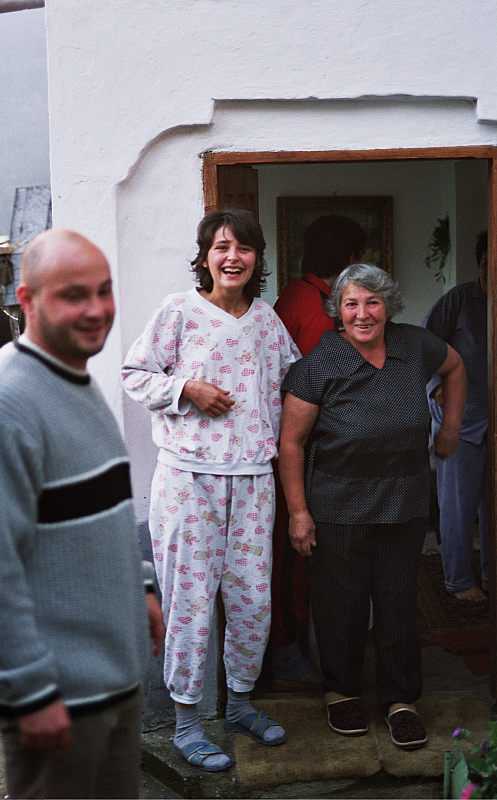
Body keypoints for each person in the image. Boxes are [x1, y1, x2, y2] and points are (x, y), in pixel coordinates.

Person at [0, 229, 164, 799]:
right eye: (74, 294)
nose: (97, 309)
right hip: (59, 702)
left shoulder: (76, 379)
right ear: (26, 300)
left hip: (115, 682)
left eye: (104, 291)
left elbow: (103, 507)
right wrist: (26, 692)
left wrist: (142, 589)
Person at [122, 208, 299, 771]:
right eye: (221, 247)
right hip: (188, 481)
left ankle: (239, 703)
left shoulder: (268, 321)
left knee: (252, 599)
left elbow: (297, 384)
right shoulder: (179, 311)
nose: (232, 257)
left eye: (244, 248)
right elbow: (134, 374)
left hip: (252, 480)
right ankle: (187, 723)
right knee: (190, 602)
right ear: (204, 256)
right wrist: (186, 388)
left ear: (256, 259)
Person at [278, 264, 466, 751]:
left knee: (398, 601)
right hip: (338, 508)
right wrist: (299, 513)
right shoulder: (319, 363)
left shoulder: (414, 345)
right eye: (351, 304)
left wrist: (449, 429)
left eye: (372, 302)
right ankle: (340, 691)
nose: (362, 314)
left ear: (389, 305)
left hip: (403, 503)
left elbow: (456, 365)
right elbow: (292, 442)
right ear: (337, 311)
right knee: (340, 606)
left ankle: (400, 699)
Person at [270, 214, 367, 691]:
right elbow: (317, 388)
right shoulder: (315, 307)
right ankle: (288, 656)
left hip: (294, 446)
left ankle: (296, 650)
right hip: (300, 450)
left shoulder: (294, 293)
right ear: (350, 259)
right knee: (296, 559)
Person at [423, 230, 489, 602]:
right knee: (458, 506)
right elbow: (424, 344)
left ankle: (490, 574)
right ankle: (460, 581)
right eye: (485, 261)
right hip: (461, 423)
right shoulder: (461, 299)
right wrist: (436, 388)